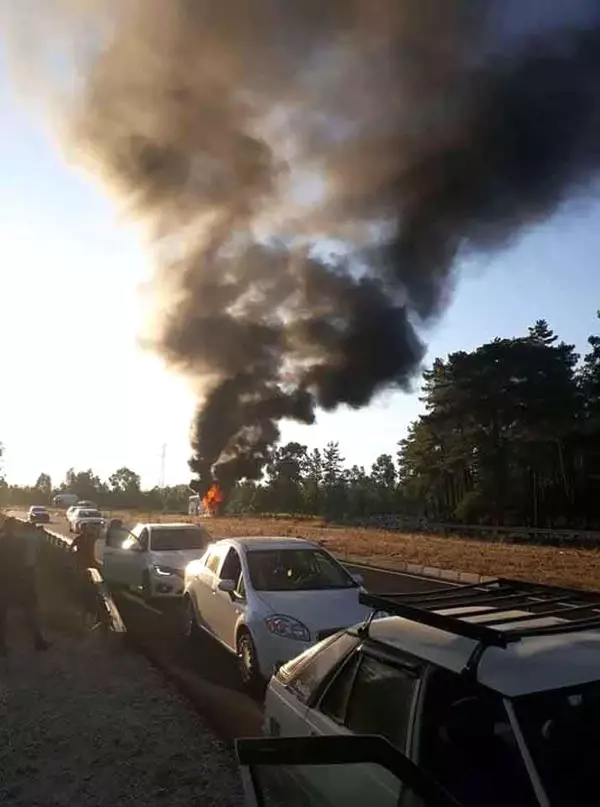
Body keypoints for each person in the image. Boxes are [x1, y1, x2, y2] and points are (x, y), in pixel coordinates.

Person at [0, 516, 50, 655]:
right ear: (15, 528)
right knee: (29, 612)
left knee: (2, 615)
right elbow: (26, 562)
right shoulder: (21, 542)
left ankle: (2, 646)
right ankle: (38, 641)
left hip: (3, 581)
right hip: (19, 580)